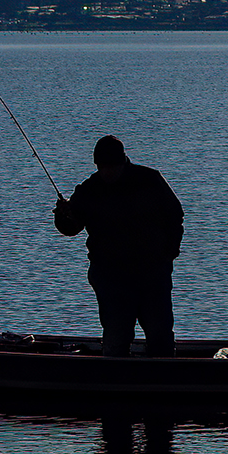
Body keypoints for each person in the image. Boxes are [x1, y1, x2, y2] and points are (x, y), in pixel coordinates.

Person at [52, 134, 184, 357]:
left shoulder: (150, 180)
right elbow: (71, 228)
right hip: (110, 276)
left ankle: (163, 380)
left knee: (160, 334)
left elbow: (175, 216)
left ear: (123, 162)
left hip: (152, 273)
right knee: (116, 336)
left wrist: (169, 254)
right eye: (103, 167)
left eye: (112, 166)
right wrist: (62, 216)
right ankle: (114, 377)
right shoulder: (89, 189)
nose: (108, 171)